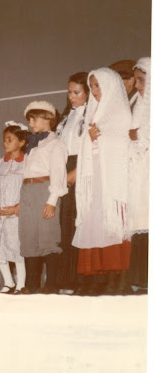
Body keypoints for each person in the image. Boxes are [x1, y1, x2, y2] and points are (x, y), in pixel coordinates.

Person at [72, 68, 132, 295]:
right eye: (91, 86)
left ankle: (116, 278)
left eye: (97, 85)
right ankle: (96, 277)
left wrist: (101, 138)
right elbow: (86, 146)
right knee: (94, 223)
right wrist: (92, 140)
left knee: (113, 223)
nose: (94, 91)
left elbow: (122, 147)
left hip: (113, 180)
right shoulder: (93, 113)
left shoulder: (121, 114)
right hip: (95, 177)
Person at [20, 101, 68, 294]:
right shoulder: (32, 144)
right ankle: (31, 285)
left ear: (48, 118)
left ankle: (52, 284)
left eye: (34, 119)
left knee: (48, 236)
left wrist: (52, 200)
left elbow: (58, 173)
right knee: (28, 236)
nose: (30, 123)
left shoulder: (55, 144)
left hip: (45, 190)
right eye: (29, 120)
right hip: (27, 189)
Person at [54, 72, 89, 293]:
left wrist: (77, 171)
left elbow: (89, 149)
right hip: (64, 166)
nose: (71, 96)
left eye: (77, 92)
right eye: (69, 92)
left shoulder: (92, 115)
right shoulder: (67, 116)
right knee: (64, 226)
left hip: (81, 167)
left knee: (78, 223)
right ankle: (65, 279)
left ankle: (80, 280)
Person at [0, 122, 28, 294]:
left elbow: (28, 190)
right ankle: (8, 282)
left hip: (16, 213)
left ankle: (21, 284)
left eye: (10, 139)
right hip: (0, 213)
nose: (5, 143)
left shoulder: (27, 162)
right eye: (4, 139)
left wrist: (17, 207)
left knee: (16, 248)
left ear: (22, 142)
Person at [127, 57, 150, 293]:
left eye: (142, 80)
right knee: (140, 225)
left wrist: (139, 137)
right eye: (136, 81)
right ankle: (141, 279)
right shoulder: (138, 104)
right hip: (139, 171)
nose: (138, 86)